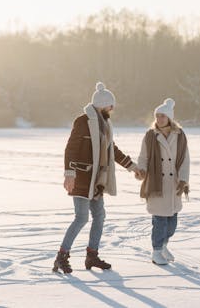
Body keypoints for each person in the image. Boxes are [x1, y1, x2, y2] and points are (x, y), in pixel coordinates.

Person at [53, 82, 140, 273]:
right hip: (82, 177)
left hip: (98, 180)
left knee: (99, 216)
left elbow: (112, 150)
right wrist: (69, 174)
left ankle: (92, 255)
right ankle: (61, 256)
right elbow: (71, 149)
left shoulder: (105, 124)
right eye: (111, 105)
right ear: (103, 104)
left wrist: (131, 167)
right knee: (81, 218)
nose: (113, 109)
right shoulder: (83, 121)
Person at [135, 98, 190, 265]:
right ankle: (156, 251)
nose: (159, 119)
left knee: (172, 222)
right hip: (156, 183)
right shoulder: (150, 135)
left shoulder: (180, 135)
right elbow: (143, 156)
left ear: (169, 118)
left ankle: (164, 245)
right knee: (159, 220)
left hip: (174, 184)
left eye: (162, 116)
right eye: (157, 116)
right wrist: (141, 170)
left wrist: (183, 179)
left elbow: (185, 159)